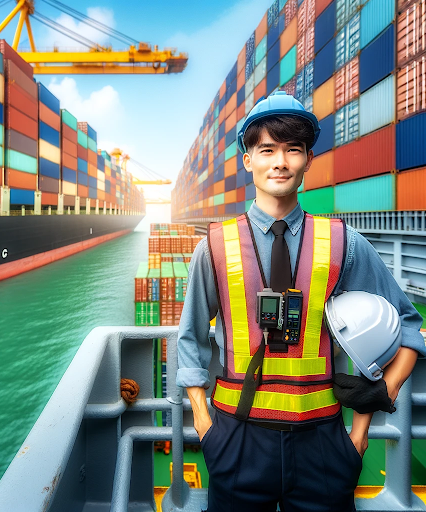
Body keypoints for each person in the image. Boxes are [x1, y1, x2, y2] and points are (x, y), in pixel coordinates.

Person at [176, 91, 426, 512]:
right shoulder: (215, 246)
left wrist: (370, 413)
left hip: (323, 445)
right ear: (248, 160)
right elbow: (190, 338)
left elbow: (406, 324)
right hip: (236, 439)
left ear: (308, 160)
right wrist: (205, 426)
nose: (280, 162)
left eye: (293, 150)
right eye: (267, 149)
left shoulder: (344, 243)